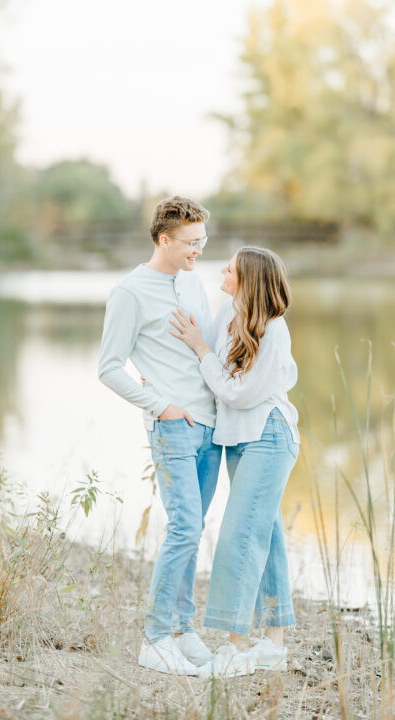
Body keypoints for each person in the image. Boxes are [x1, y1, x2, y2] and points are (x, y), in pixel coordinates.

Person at [97, 196, 222, 676]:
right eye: (191, 242)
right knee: (185, 526)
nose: (199, 250)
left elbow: (202, 344)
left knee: (193, 531)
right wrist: (162, 407)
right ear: (164, 239)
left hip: (212, 425)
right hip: (172, 427)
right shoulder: (129, 292)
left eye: (203, 241)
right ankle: (154, 639)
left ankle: (183, 630)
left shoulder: (193, 283)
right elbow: (109, 368)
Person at [168, 246, 299, 678]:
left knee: (240, 536)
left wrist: (202, 348)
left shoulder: (274, 331)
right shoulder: (227, 311)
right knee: (268, 533)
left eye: (232, 268)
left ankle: (235, 645)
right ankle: (274, 642)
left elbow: (236, 391)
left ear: (250, 280)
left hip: (268, 436)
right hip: (239, 440)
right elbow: (195, 352)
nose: (222, 270)